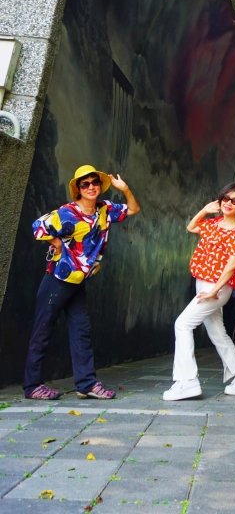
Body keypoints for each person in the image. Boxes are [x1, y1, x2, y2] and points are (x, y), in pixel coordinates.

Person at [24, 165, 140, 401]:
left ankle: (86, 384)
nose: (90, 187)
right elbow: (37, 226)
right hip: (57, 281)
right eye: (84, 184)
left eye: (94, 183)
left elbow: (133, 209)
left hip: (78, 282)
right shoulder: (68, 214)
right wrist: (56, 240)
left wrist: (124, 188)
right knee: (43, 331)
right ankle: (32, 386)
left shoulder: (104, 210)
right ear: (77, 189)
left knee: (81, 332)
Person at [163, 183, 235, 402]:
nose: (229, 203)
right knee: (217, 332)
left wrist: (214, 290)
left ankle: (187, 381)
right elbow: (192, 227)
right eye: (226, 198)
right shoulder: (214, 222)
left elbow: (233, 264)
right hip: (203, 283)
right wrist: (205, 210)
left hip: (217, 287)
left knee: (183, 324)